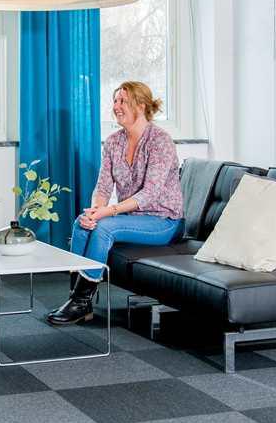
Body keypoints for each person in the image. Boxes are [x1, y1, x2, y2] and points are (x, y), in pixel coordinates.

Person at [47, 81, 184, 326]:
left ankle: (81, 301)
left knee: (104, 227)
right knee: (82, 223)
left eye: (123, 101)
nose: (116, 106)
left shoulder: (160, 141)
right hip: (132, 218)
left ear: (141, 106)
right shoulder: (113, 142)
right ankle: (78, 300)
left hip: (164, 221)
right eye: (115, 100)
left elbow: (149, 194)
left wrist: (108, 212)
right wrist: (94, 211)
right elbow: (103, 187)